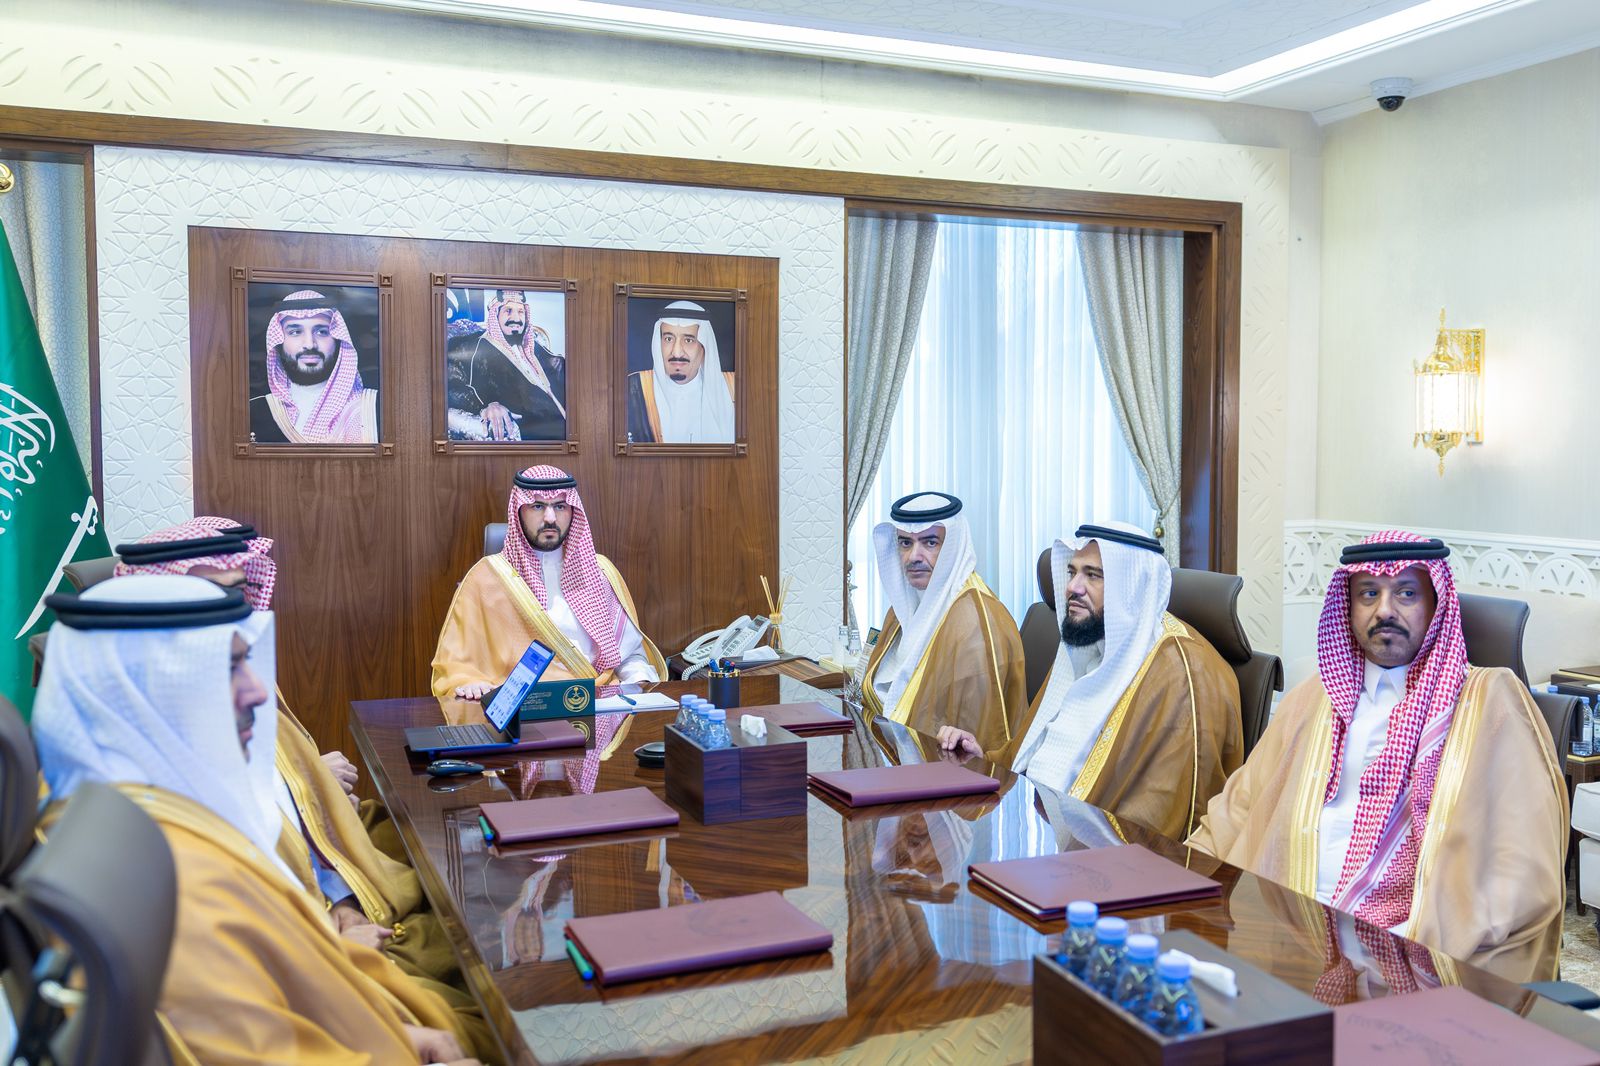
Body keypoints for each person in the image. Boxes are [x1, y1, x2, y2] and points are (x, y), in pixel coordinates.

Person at [31, 575, 478, 1065]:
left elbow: (277, 970)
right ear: (150, 689)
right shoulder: (158, 870)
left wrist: (400, 1031)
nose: (258, 691)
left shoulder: (150, 812)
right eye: (228, 668)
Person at [112, 518, 481, 1022]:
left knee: (473, 894)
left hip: (332, 896)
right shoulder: (150, 762)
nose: (235, 615)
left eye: (238, 593)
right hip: (293, 977)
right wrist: (331, 934)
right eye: (210, 597)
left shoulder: (239, 679)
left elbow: (293, 819)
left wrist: (339, 893)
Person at [1187, 530, 1567, 983]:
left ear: (1436, 605)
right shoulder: (1314, 698)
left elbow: (1521, 869)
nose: (1385, 610)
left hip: (1420, 951)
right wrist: (1184, 888)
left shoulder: (1489, 701)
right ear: (1348, 607)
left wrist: (1417, 952)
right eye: (1368, 593)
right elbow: (1238, 808)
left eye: (1406, 593)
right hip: (1296, 932)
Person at [937, 522, 1242, 841]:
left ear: (1131, 585)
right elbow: (1034, 752)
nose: (1073, 587)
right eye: (1072, 572)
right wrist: (981, 758)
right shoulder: (1090, 642)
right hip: (1043, 827)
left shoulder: (1183, 674)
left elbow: (1157, 824)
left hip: (1103, 857)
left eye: (1093, 575)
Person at [433, 465, 665, 698]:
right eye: (537, 506)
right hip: (524, 708)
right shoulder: (486, 577)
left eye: (560, 506)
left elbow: (629, 657)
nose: (550, 518)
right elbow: (458, 668)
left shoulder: (600, 572)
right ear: (518, 511)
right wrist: (470, 683)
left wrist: (639, 683)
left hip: (600, 703)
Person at [857, 492, 1027, 754]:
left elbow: (972, 744)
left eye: (930, 542)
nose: (914, 556)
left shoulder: (975, 623)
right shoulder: (905, 606)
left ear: (952, 546)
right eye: (905, 543)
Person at [249, 289, 379, 444]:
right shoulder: (255, 411)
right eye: (295, 332)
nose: (310, 344)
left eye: (322, 332)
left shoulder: (375, 407)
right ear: (278, 342)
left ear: (337, 339)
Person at [446, 289, 566, 442]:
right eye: (508, 311)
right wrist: (486, 407)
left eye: (520, 312)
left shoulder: (534, 347)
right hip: (534, 438)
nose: (516, 318)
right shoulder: (473, 348)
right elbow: (453, 387)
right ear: (495, 315)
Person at [624, 300, 735, 443]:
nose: (676, 352)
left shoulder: (733, 389)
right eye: (668, 339)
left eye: (688, 340)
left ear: (704, 346)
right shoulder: (632, 389)